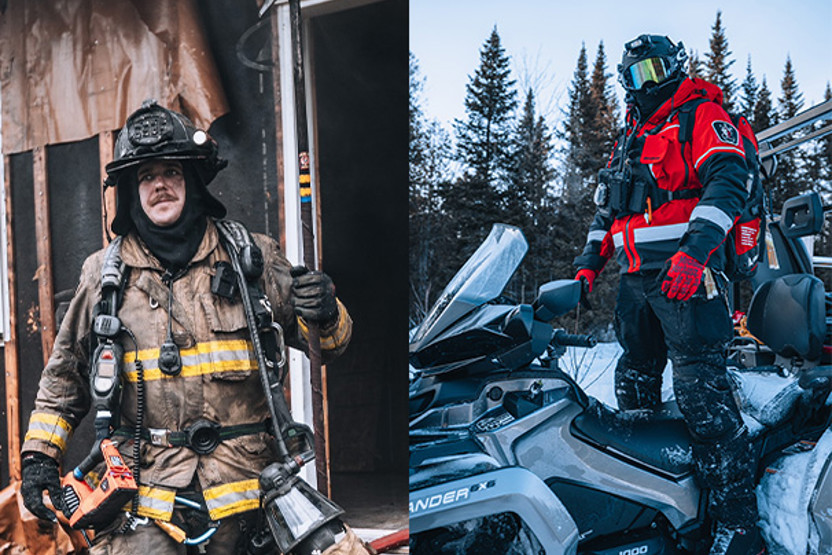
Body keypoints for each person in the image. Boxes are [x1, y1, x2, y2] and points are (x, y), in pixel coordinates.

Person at [19, 100, 368, 554]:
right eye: (146, 176)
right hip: (147, 499)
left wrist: (325, 311)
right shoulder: (102, 276)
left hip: (256, 491)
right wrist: (39, 459)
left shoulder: (252, 259)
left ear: (192, 183)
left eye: (172, 172)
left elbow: (333, 344)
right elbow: (63, 379)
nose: (159, 185)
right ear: (130, 191)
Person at [574, 35, 765, 555]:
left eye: (656, 70)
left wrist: (696, 253)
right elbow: (605, 211)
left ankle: (738, 526)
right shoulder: (629, 136)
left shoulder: (701, 116)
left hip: (687, 273)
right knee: (634, 387)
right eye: (636, 75)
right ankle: (656, 501)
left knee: (703, 398)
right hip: (636, 280)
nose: (648, 83)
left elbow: (728, 182)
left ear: (676, 67)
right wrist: (587, 267)